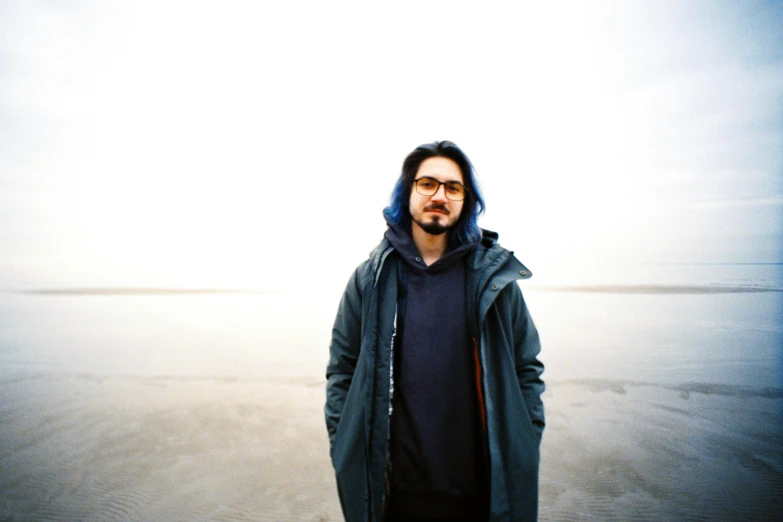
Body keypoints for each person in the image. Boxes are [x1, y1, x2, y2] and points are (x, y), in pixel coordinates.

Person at [325, 141, 544, 522]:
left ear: (465, 201)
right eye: (427, 183)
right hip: (393, 500)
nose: (439, 195)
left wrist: (524, 441)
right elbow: (342, 372)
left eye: (453, 187)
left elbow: (527, 370)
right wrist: (344, 445)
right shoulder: (369, 279)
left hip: (481, 499)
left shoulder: (495, 281)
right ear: (406, 192)